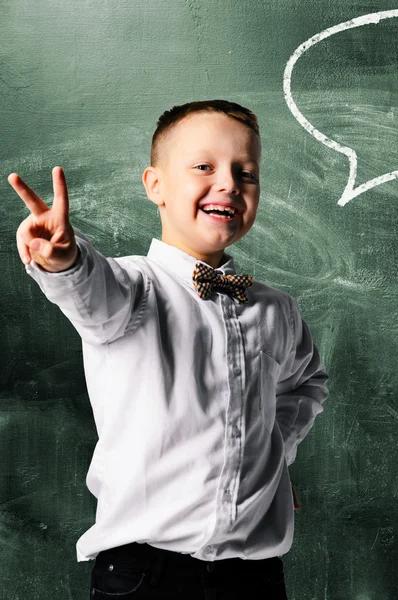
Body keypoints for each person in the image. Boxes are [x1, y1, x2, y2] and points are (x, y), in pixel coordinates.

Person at [8, 99, 329, 599]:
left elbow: (305, 382)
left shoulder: (276, 310)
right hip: (143, 576)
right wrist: (65, 258)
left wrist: (274, 454)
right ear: (155, 185)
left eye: (246, 173)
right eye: (204, 166)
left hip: (254, 577)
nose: (228, 183)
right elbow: (89, 290)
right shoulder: (134, 287)